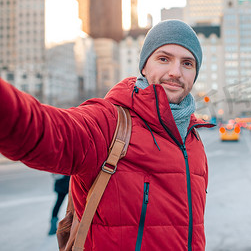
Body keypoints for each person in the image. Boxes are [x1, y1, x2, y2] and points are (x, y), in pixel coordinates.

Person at [0, 20, 214, 250]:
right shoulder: (109, 123)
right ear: (144, 66)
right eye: (164, 59)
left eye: (187, 63)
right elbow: (41, 129)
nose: (175, 72)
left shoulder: (193, 140)